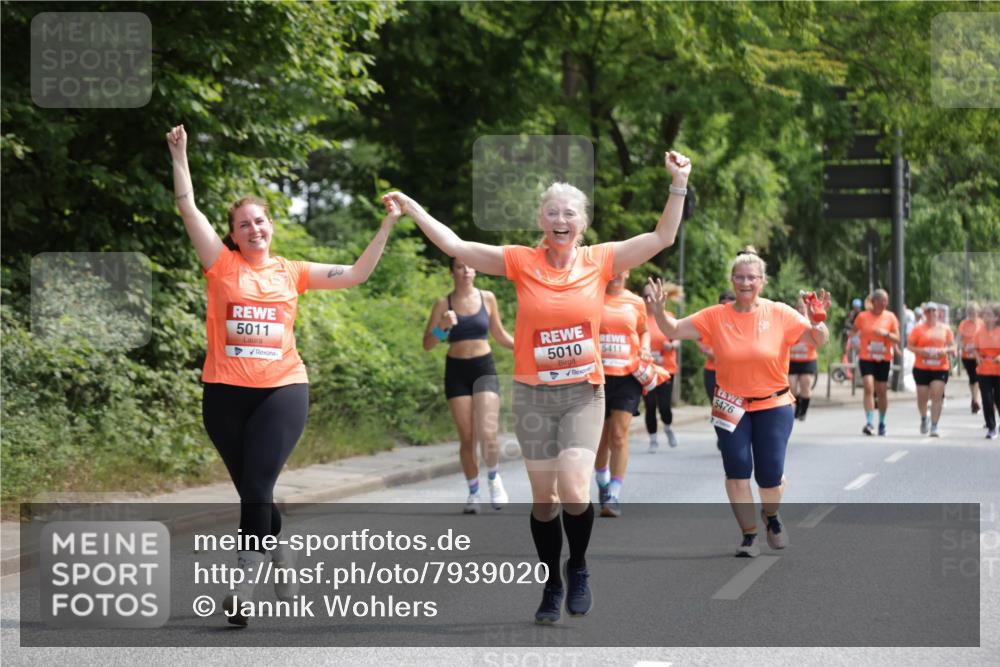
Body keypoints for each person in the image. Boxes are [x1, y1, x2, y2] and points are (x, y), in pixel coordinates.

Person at [382, 148, 692, 624]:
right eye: (552, 212)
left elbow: (662, 236)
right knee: (544, 501)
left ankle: (580, 565)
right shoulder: (522, 261)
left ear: (582, 223)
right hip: (533, 394)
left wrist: (678, 181)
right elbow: (458, 247)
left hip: (583, 392)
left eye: (569, 212)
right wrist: (412, 207)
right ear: (540, 221)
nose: (560, 219)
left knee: (574, 487)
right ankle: (551, 580)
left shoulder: (600, 260)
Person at [166, 124, 401, 626]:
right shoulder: (220, 264)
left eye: (260, 221)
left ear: (271, 226)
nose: (254, 229)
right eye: (244, 224)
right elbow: (188, 207)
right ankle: (279, 549)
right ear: (233, 234)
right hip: (225, 395)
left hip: (282, 391)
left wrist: (385, 227)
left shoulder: (292, 272)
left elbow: (357, 275)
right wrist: (180, 154)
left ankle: (241, 586)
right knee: (255, 491)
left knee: (255, 486)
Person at [647, 250, 830, 558]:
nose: (745, 283)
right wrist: (659, 312)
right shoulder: (716, 316)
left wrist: (818, 321)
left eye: (751, 277)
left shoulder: (780, 313)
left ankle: (771, 515)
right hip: (730, 403)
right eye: (739, 277)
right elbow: (675, 329)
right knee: (737, 469)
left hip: (773, 403)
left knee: (770, 475)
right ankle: (748, 535)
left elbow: (817, 340)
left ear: (762, 281)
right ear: (732, 280)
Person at [424, 258, 514, 514]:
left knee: (488, 433)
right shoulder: (443, 304)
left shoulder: (488, 298)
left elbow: (499, 334)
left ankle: (494, 479)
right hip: (457, 371)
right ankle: (474, 493)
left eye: (470, 267)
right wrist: (443, 328)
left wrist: (525, 347)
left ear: (475, 271)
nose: (466, 271)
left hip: (483, 368)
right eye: (460, 267)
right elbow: (429, 344)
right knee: (467, 438)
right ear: (452, 272)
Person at [594, 270, 649, 517]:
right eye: (610, 269)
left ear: (627, 271)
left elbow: (644, 330)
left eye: (620, 269)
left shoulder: (636, 302)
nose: (615, 274)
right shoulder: (592, 297)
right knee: (599, 439)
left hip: (628, 375)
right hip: (597, 376)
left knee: (618, 434)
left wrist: (645, 348)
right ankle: (603, 482)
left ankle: (614, 492)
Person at [850, 289, 901, 436]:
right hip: (866, 357)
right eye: (881, 301)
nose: (884, 304)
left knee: (881, 391)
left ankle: (882, 422)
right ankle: (870, 422)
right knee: (868, 387)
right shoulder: (862, 316)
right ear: (874, 302)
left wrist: (886, 334)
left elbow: (897, 338)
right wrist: (855, 343)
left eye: (886, 301)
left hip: (883, 359)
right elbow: (852, 332)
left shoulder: (890, 317)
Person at [642, 281, 683, 451]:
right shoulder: (640, 317)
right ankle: (652, 439)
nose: (650, 299)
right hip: (647, 369)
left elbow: (678, 337)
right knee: (650, 405)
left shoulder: (668, 315)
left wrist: (672, 346)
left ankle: (667, 426)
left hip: (666, 368)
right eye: (646, 296)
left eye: (652, 295)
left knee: (664, 406)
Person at [907, 301, 956, 437]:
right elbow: (909, 346)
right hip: (921, 367)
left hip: (940, 367)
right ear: (925, 314)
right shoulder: (918, 329)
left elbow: (953, 347)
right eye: (928, 311)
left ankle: (934, 426)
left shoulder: (945, 329)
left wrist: (944, 350)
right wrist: (921, 351)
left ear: (938, 313)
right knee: (922, 397)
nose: (931, 314)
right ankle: (924, 418)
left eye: (934, 311)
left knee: (936, 395)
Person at [789, 297, 818, 422]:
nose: (800, 309)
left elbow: (819, 339)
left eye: (803, 307)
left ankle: (803, 411)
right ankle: (797, 407)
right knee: (792, 388)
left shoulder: (812, 322)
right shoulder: (790, 321)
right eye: (798, 307)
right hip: (792, 360)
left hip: (808, 360)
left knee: (806, 385)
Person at [974, 303, 1000, 439]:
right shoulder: (980, 331)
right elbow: (975, 348)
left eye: (989, 314)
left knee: (998, 398)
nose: (985, 317)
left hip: (998, 370)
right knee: (987, 399)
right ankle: (991, 427)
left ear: (996, 318)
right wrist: (977, 357)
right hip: (984, 370)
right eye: (984, 314)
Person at [957, 302, 984, 415]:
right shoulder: (963, 323)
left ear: (978, 313)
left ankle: (976, 400)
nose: (972, 315)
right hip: (966, 355)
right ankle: (974, 399)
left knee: (976, 377)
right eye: (970, 312)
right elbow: (959, 338)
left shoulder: (982, 323)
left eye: (974, 312)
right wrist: (961, 346)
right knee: (972, 378)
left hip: (979, 356)